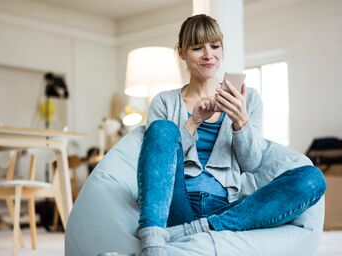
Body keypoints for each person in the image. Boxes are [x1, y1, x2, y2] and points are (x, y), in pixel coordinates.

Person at [136, 14, 326, 256]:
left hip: (228, 208)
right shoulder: (164, 101)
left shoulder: (249, 99)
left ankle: (199, 229)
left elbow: (251, 164)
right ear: (181, 52)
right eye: (197, 48)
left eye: (215, 46)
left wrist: (240, 120)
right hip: (177, 205)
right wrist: (193, 121)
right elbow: (158, 164)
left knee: (312, 179)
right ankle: (152, 245)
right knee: (162, 129)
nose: (208, 55)